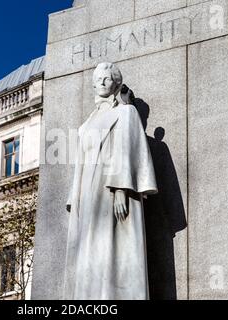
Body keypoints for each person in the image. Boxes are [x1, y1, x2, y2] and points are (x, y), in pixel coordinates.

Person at [64, 62, 158, 300]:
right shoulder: (86, 125)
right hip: (88, 193)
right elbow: (81, 166)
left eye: (108, 78)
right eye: (99, 79)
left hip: (109, 187)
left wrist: (120, 188)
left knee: (112, 244)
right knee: (91, 249)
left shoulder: (126, 112)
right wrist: (76, 199)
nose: (103, 82)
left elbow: (126, 149)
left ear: (116, 84)